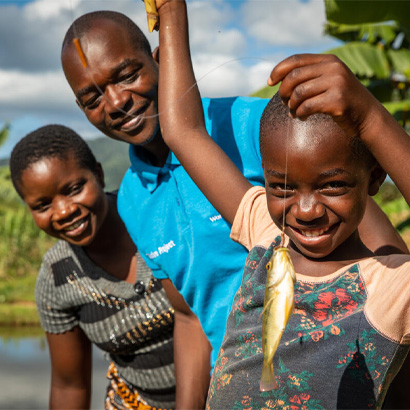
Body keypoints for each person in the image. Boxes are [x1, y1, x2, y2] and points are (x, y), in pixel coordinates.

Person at [60, 7, 407, 407]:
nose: (117, 100)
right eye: (92, 97)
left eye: (127, 74)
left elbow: (385, 257)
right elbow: (191, 316)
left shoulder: (269, 128)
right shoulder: (132, 202)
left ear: (160, 60)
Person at [9, 124, 178, 410]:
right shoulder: (58, 279)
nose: (63, 211)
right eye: (42, 206)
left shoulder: (157, 221)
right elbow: (69, 385)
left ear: (98, 175)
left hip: (223, 392)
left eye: (74, 189)